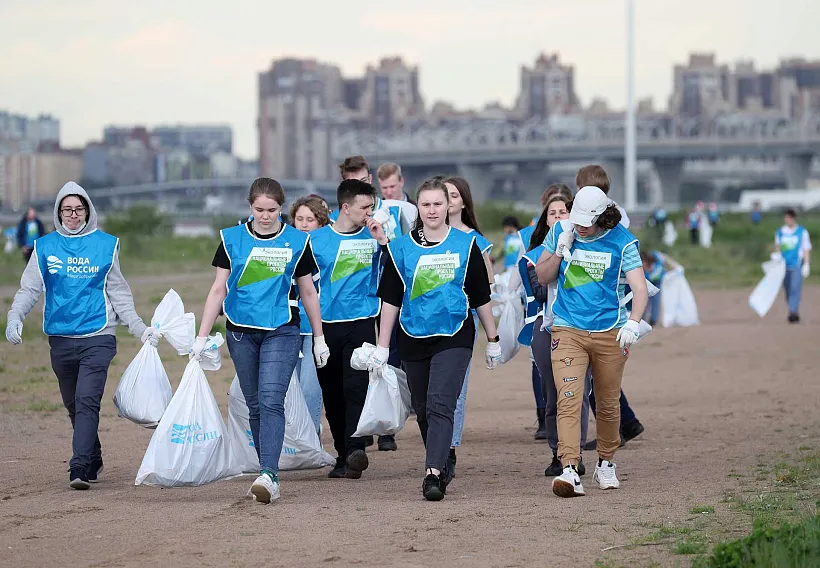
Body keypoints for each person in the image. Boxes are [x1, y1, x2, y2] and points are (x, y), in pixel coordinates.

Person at [5, 181, 158, 490]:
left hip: (98, 336)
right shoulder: (45, 246)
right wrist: (14, 316)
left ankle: (78, 467)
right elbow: (30, 288)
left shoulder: (105, 245)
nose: (73, 215)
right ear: (58, 213)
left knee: (87, 400)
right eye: (67, 210)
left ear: (88, 211)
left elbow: (119, 293)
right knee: (73, 404)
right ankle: (93, 456)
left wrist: (139, 327)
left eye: (78, 209)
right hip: (61, 339)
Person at [195, 178, 329, 504]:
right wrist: (201, 336)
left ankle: (269, 475)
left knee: (271, 399)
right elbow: (218, 290)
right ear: (249, 206)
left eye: (272, 210)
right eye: (259, 210)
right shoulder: (232, 239)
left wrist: (319, 338)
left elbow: (308, 291)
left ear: (282, 208)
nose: (266, 216)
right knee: (255, 404)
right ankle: (264, 467)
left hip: (282, 329)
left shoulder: (297, 241)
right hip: (240, 331)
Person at [370, 178, 502, 501]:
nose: (432, 210)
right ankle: (443, 459)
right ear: (419, 208)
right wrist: (382, 346)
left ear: (448, 207)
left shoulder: (465, 244)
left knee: (442, 402)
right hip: (413, 334)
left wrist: (493, 338)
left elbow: (480, 295)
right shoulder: (400, 248)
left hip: (455, 333)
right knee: (423, 407)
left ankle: (433, 473)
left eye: (438, 204)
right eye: (426, 205)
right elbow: (390, 299)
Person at [536, 186, 647, 498]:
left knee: (608, 402)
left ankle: (606, 462)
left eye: (587, 220)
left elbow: (639, 288)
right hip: (567, 328)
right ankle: (570, 469)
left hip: (610, 331)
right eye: (577, 218)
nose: (580, 225)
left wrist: (633, 323)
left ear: (602, 216)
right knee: (569, 397)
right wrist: (559, 250)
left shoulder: (622, 241)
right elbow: (543, 277)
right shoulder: (561, 229)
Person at [312, 179, 393, 475]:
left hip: (361, 321)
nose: (370, 212)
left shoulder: (374, 237)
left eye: (372, 206)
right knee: (332, 392)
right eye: (365, 207)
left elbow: (395, 270)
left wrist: (383, 241)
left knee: (356, 386)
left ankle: (357, 447)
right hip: (326, 325)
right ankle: (343, 454)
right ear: (345, 208)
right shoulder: (317, 240)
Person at [519, 194, 591, 476]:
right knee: (554, 391)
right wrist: (558, 255)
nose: (559, 217)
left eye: (564, 212)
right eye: (553, 213)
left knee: (578, 391)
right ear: (545, 220)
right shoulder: (532, 256)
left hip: (581, 324)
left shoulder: (589, 247)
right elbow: (538, 292)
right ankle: (556, 451)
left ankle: (576, 451)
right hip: (546, 325)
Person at [575, 165, 645, 452]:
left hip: (602, 302)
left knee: (598, 375)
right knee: (602, 373)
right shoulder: (617, 213)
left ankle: (622, 424)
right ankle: (625, 422)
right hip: (608, 297)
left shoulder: (610, 220)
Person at [441, 176, 494, 475]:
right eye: (443, 195)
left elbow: (487, 284)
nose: (448, 201)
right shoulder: (423, 236)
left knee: (456, 389)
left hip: (462, 322)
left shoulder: (475, 241)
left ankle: (449, 448)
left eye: (452, 195)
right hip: (425, 322)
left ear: (463, 201)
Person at [289, 196, 331, 432]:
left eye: (310, 220)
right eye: (299, 219)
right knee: (288, 388)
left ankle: (310, 434)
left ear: (321, 223)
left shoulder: (325, 248)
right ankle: (292, 441)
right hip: (288, 326)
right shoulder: (287, 246)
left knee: (309, 387)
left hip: (316, 327)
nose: (304, 224)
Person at [776, 209, 812, 323]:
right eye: (786, 218)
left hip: (797, 263)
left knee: (795, 288)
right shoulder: (780, 232)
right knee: (787, 289)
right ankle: (792, 308)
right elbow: (778, 246)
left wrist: (806, 264)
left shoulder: (802, 232)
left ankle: (793, 312)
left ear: (794, 218)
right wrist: (776, 256)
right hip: (784, 265)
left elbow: (806, 248)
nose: (788, 220)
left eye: (790, 218)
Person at [640, 250, 682, 326]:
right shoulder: (640, 270)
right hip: (646, 284)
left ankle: (653, 320)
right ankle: (642, 320)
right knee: (644, 301)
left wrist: (674, 268)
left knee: (656, 301)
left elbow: (667, 260)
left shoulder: (657, 258)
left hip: (659, 283)